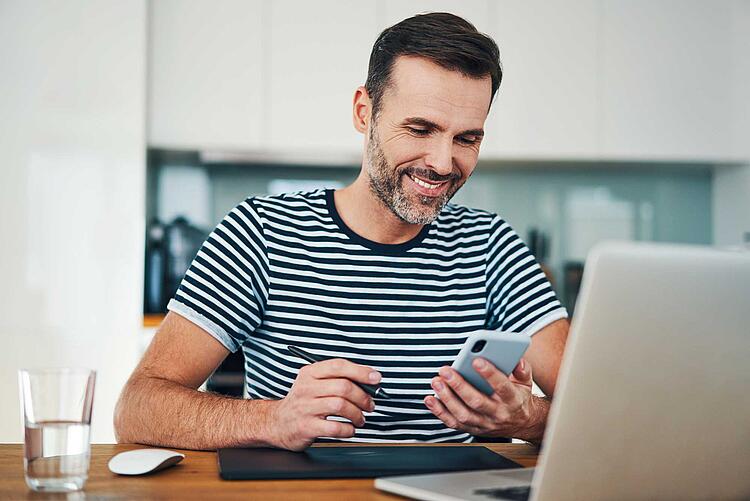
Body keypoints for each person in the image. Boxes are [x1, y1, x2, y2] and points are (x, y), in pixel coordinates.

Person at [114, 12, 569, 451]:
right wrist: (273, 419)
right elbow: (136, 409)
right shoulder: (260, 232)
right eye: (419, 128)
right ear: (363, 112)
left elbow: (602, 411)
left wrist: (527, 419)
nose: (442, 162)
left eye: (467, 138)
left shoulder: (493, 247)